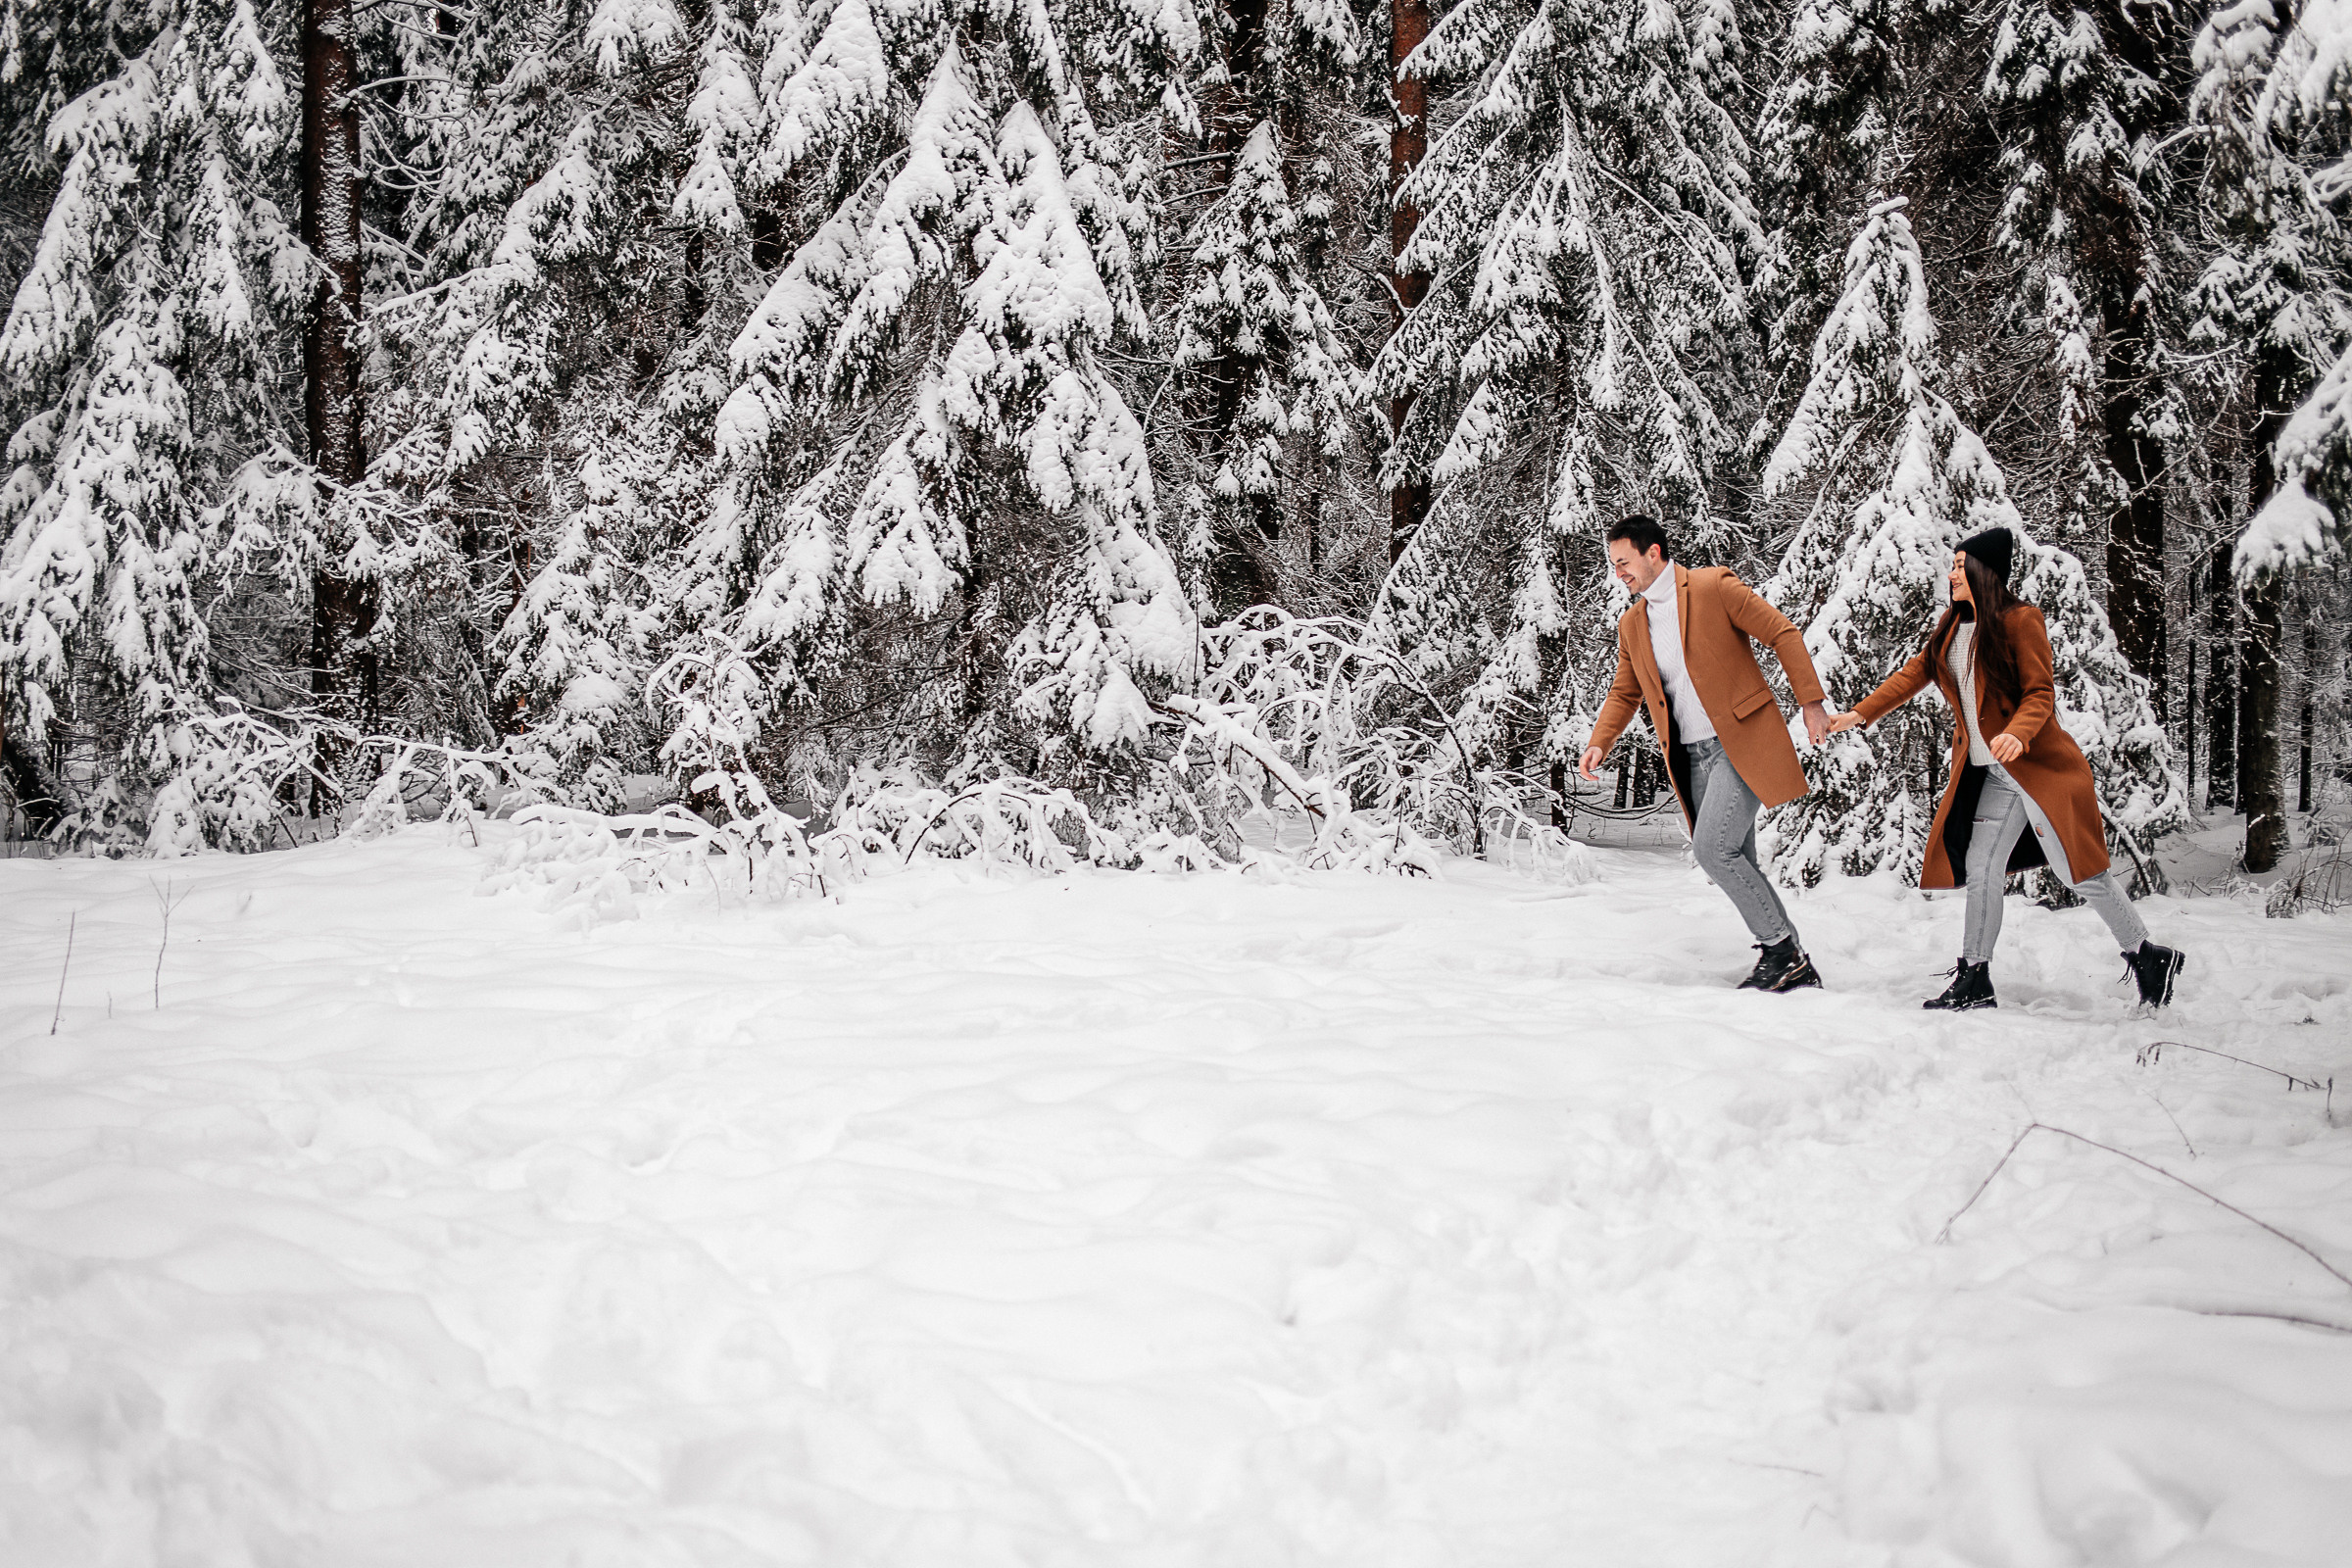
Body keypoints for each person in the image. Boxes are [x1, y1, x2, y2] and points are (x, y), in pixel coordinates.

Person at [1826, 526, 2186, 1010]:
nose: (1952, 573)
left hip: (2035, 770)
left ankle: (2146, 953)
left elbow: (2040, 691)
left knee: (2077, 874)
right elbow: (1915, 672)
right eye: (1952, 565)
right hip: (1996, 775)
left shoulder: (2021, 620)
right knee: (1982, 867)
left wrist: (2018, 731)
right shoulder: (1952, 626)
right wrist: (1859, 713)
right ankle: (1975, 975)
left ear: (1983, 571)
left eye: (1960, 565)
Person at [1581, 514, 1835, 992]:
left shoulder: (1712, 586)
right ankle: (1787, 960)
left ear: (1654, 552)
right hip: (1692, 756)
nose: (1619, 573)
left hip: (1741, 742)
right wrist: (1600, 741)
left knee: (1713, 850)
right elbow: (1624, 692)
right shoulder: (1633, 622)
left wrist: (1811, 702)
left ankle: (1783, 951)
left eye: (1624, 562)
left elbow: (1783, 633)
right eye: (1614, 565)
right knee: (1736, 854)